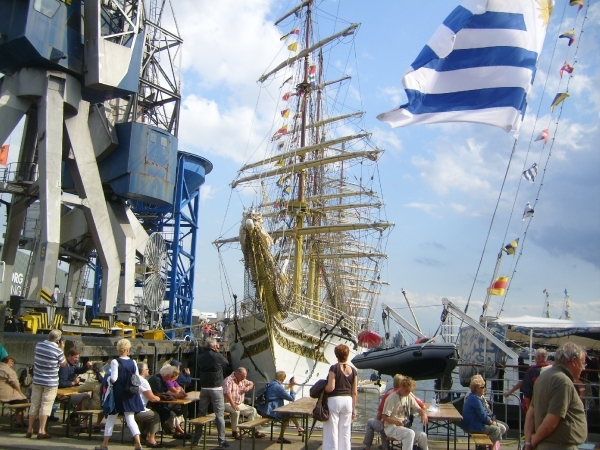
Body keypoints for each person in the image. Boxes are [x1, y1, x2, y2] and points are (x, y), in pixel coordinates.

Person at [524, 342, 587, 450]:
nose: (583, 368)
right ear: (574, 361)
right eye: (583, 363)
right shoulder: (563, 382)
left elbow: (531, 414)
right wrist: (533, 442)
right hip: (559, 446)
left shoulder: (543, 377)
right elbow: (551, 422)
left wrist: (528, 443)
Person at [94, 338, 144, 450]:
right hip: (131, 393)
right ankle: (138, 444)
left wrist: (108, 375)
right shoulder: (133, 362)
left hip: (118, 394)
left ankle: (104, 444)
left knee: (111, 419)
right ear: (128, 349)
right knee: (131, 420)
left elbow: (114, 379)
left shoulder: (115, 362)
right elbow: (137, 377)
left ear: (118, 349)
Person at [26, 329, 67, 439]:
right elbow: (63, 364)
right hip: (50, 382)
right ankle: (41, 430)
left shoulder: (39, 346)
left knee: (34, 404)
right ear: (58, 340)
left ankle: (29, 429)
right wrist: (62, 349)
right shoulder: (57, 351)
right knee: (46, 405)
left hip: (37, 380)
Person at [195, 338, 230, 448]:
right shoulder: (217, 356)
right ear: (214, 346)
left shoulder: (200, 357)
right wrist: (217, 352)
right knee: (219, 415)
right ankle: (222, 440)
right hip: (216, 388)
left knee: (201, 414)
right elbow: (226, 364)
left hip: (204, 387)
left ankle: (197, 438)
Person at [322, 344, 358, 450]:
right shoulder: (353, 371)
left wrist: (323, 388)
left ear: (336, 355)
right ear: (347, 355)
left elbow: (331, 387)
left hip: (335, 400)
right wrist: (354, 408)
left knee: (332, 430)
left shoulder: (334, 368)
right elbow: (354, 392)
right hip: (348, 401)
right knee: (345, 431)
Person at [381, 376, 428, 450]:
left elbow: (418, 408)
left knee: (423, 435)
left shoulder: (409, 396)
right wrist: (395, 422)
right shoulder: (392, 398)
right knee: (410, 433)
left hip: (404, 427)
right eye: (406, 391)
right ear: (401, 387)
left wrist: (424, 414)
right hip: (391, 427)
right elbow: (384, 416)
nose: (408, 393)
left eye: (410, 391)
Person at [256, 371, 303, 443]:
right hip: (270, 411)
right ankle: (282, 437)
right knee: (287, 417)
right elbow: (291, 398)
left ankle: (298, 427)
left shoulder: (270, 384)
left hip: (263, 410)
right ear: (282, 379)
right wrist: (292, 387)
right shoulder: (278, 387)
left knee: (289, 413)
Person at [147, 364, 189, 439]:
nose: (172, 379)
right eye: (172, 377)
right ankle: (173, 429)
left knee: (178, 411)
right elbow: (162, 395)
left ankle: (177, 431)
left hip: (158, 404)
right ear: (168, 375)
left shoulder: (162, 380)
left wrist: (174, 395)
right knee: (169, 413)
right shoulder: (156, 380)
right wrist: (177, 396)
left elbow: (166, 394)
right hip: (152, 405)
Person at [223, 367, 265, 440]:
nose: (244, 378)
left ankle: (254, 430)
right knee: (236, 412)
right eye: (243, 376)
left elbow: (251, 383)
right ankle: (235, 431)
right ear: (237, 374)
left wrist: (248, 388)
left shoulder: (243, 380)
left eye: (245, 377)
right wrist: (233, 404)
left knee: (253, 410)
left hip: (239, 403)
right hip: (227, 402)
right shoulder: (228, 380)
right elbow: (227, 394)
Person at [461, 375, 505, 443]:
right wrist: (492, 422)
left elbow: (483, 413)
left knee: (499, 428)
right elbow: (483, 416)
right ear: (477, 388)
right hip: (474, 426)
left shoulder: (473, 397)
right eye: (482, 387)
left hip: (472, 424)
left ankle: (487, 446)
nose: (484, 389)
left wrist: (491, 421)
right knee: (497, 429)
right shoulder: (475, 399)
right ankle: (489, 447)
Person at [510, 349, 551, 414]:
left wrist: (529, 409)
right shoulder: (552, 369)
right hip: (550, 405)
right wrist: (510, 391)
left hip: (536, 406)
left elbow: (527, 393)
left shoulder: (532, 371)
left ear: (537, 357)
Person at [58, 348, 92, 418]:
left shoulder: (73, 365)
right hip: (63, 395)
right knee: (87, 397)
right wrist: (73, 382)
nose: (77, 359)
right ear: (70, 356)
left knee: (88, 398)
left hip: (71, 391)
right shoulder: (64, 366)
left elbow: (79, 370)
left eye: (78, 358)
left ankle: (74, 415)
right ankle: (73, 415)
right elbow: (61, 383)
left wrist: (86, 366)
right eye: (75, 357)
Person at [136, 362, 162, 448]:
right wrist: (159, 398)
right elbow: (152, 398)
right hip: (138, 410)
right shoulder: (143, 381)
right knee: (155, 416)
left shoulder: (132, 379)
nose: (148, 370)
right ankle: (151, 440)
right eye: (147, 369)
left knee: (148, 414)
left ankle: (139, 437)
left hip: (129, 409)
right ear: (143, 371)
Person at [76, 362, 105, 432]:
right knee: (101, 403)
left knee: (84, 401)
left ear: (93, 371)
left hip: (97, 404)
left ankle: (84, 425)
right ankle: (97, 424)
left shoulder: (93, 380)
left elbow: (80, 389)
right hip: (106, 404)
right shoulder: (108, 376)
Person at [0, 356, 29, 426]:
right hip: (4, 394)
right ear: (6, 362)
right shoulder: (8, 370)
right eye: (11, 363)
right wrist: (21, 393)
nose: (12, 365)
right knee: (23, 401)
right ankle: (18, 420)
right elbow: (15, 383)